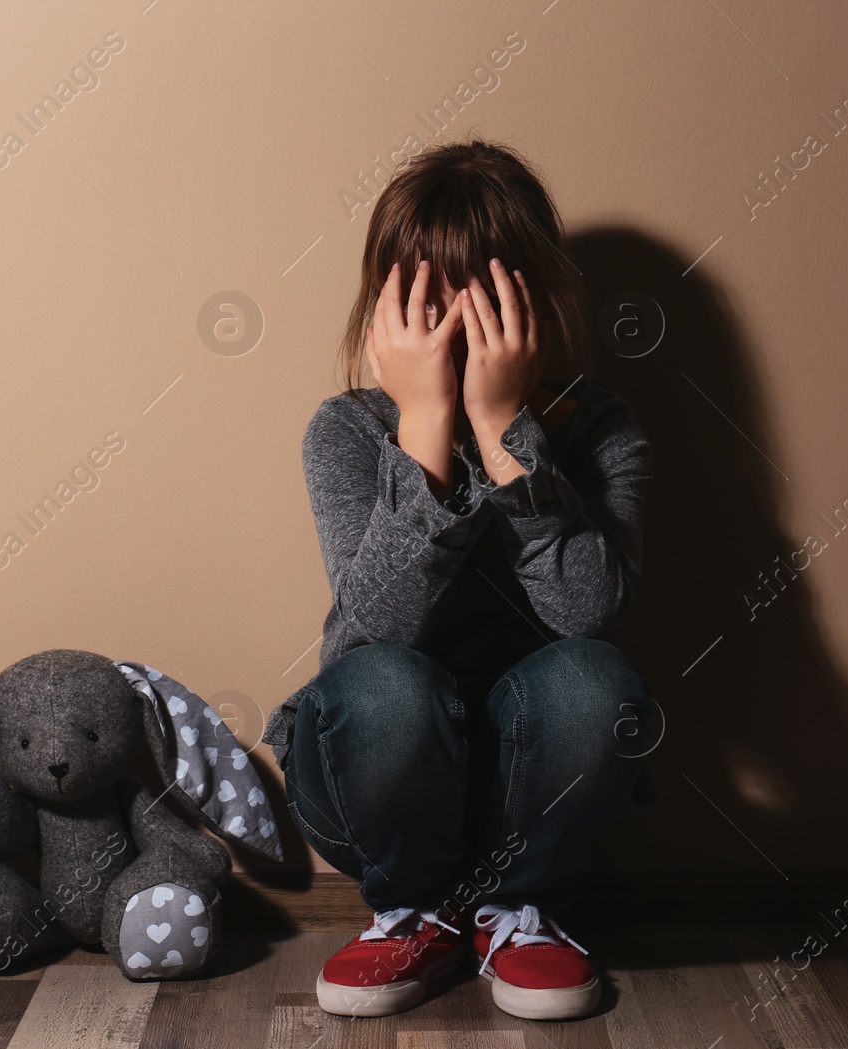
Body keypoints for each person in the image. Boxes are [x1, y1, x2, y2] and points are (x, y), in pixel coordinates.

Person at [259, 137, 655, 1022]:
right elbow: (371, 640)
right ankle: (413, 910)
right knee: (386, 685)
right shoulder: (347, 432)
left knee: (598, 680)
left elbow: (590, 612)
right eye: (423, 298)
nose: (446, 325)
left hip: (532, 794)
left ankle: (521, 911)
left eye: (477, 299)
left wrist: (508, 431)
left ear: (536, 302)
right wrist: (429, 425)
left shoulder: (600, 429)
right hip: (373, 785)